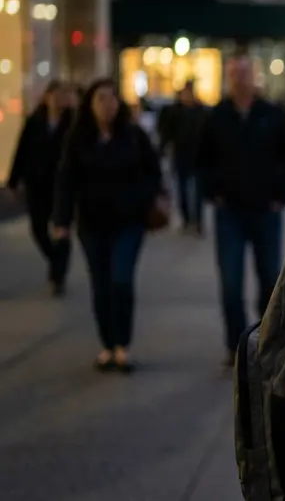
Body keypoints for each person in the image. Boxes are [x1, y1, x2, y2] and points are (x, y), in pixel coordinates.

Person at [197, 54, 285, 366]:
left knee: (270, 279)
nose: (239, 79)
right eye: (234, 74)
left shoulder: (272, 114)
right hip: (229, 211)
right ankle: (236, 347)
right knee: (230, 283)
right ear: (228, 78)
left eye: (244, 73)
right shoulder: (217, 116)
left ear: (253, 76)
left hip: (265, 211)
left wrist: (281, 195)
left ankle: (268, 342)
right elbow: (202, 159)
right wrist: (212, 192)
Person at [52, 78, 162, 372]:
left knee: (121, 280)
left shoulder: (133, 136)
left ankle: (122, 345)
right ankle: (107, 344)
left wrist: (144, 197)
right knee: (101, 285)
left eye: (112, 98)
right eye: (100, 98)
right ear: (90, 104)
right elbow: (67, 181)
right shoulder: (79, 139)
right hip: (92, 225)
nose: (106, 104)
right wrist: (61, 221)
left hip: (129, 223)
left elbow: (154, 171)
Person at [7, 80, 77, 295]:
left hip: (61, 186)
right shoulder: (34, 121)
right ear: (47, 97)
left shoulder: (73, 123)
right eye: (55, 94)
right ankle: (55, 259)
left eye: (63, 94)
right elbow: (21, 150)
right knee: (38, 229)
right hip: (37, 183)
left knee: (61, 229)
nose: (58, 99)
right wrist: (14, 180)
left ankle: (58, 275)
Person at [158, 80, 209, 235]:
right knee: (182, 190)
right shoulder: (175, 111)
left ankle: (198, 221)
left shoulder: (200, 111)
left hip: (200, 156)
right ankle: (187, 219)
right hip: (181, 156)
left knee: (198, 192)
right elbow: (166, 131)